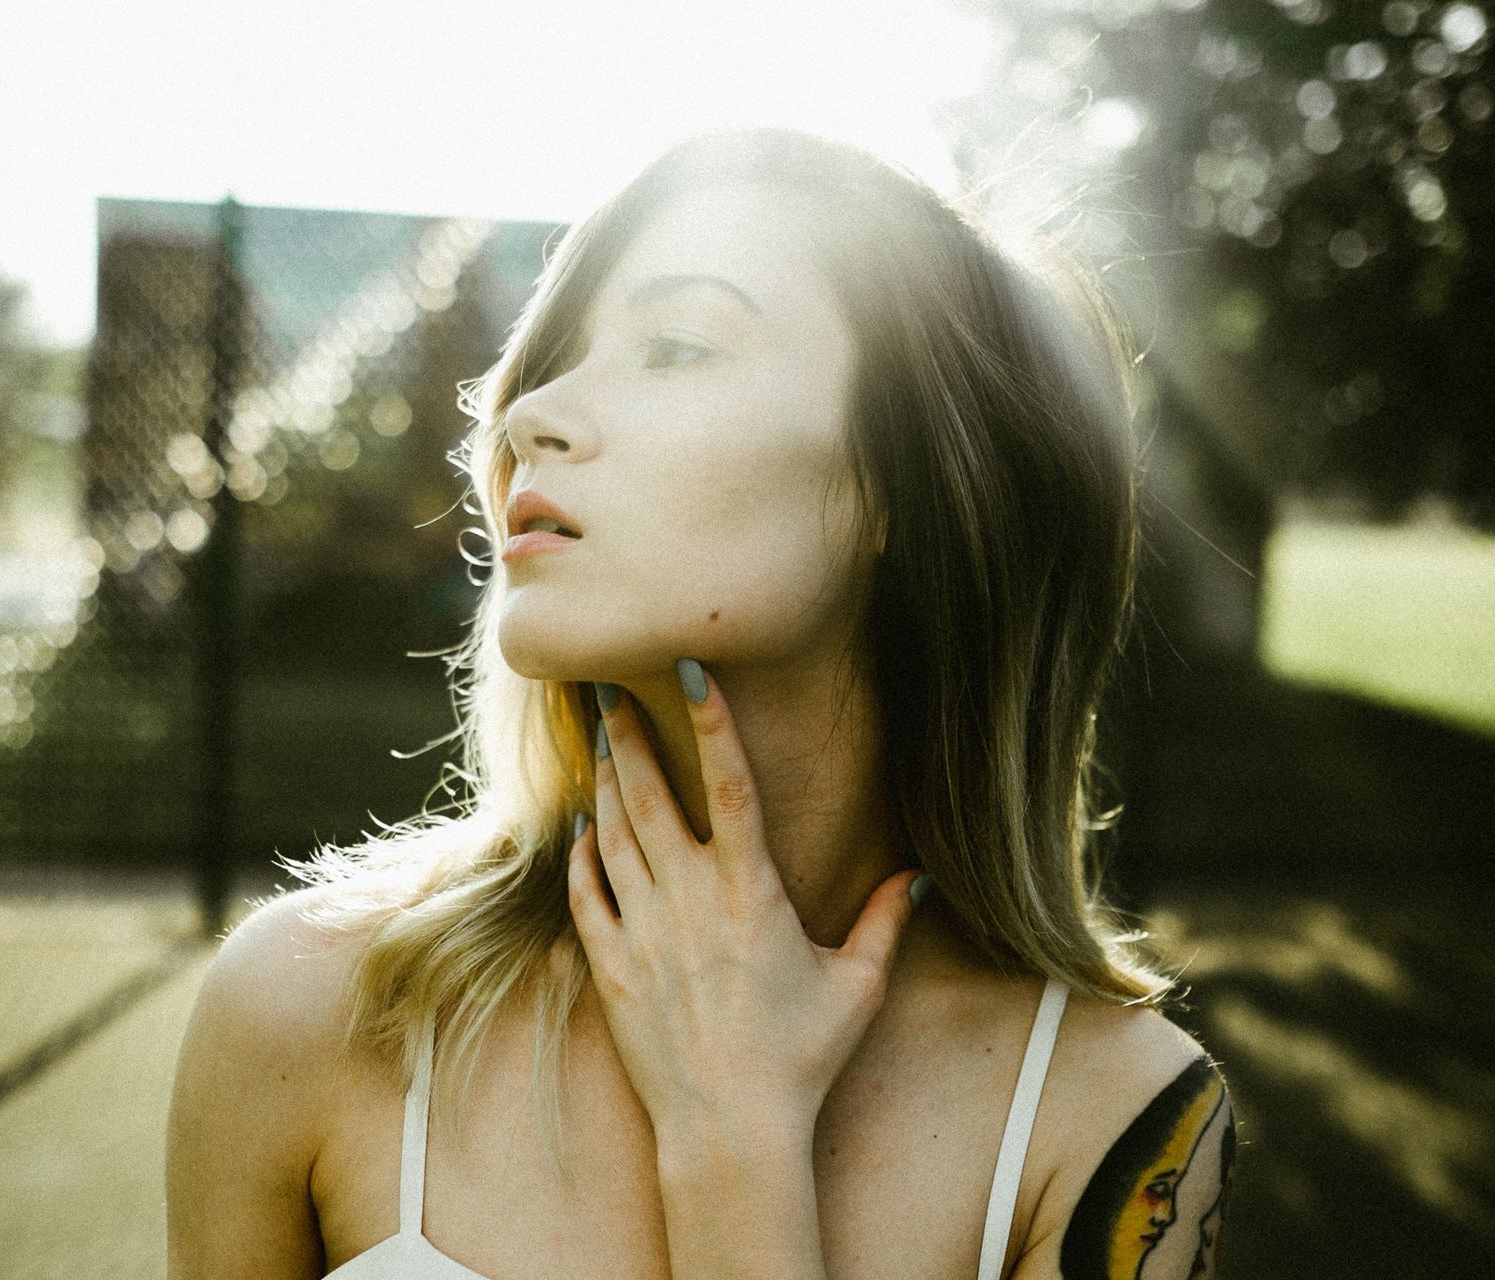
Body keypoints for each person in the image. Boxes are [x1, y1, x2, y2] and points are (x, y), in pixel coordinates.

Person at [166, 124, 1238, 1280]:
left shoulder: (1116, 1119)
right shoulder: (307, 1010)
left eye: (676, 345)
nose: (531, 414)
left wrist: (737, 1140)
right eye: (557, 358)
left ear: (910, 484)